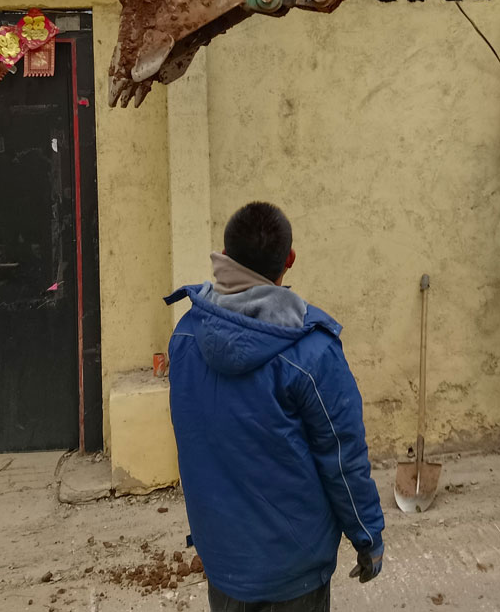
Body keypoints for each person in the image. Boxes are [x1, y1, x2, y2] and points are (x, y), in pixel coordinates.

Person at [165, 201, 385, 611]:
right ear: (290, 260)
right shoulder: (312, 352)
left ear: (225, 256)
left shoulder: (186, 336)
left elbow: (195, 437)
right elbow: (343, 459)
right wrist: (367, 536)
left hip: (223, 560)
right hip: (294, 570)